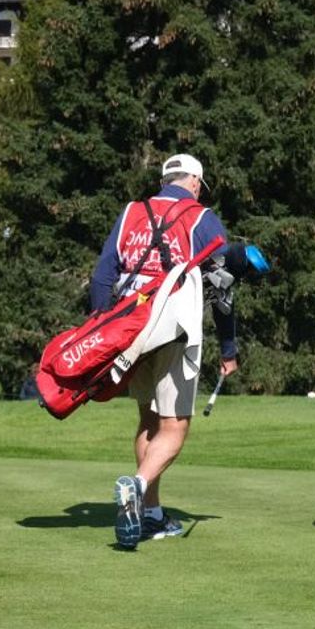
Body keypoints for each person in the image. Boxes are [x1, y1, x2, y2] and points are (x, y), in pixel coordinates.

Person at [90, 153, 237, 549]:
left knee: (148, 419)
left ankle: (150, 515)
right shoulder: (202, 217)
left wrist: (103, 331)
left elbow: (103, 275)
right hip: (174, 330)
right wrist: (229, 346)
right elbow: (223, 288)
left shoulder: (131, 212)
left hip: (130, 330)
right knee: (174, 426)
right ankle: (136, 486)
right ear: (194, 182)